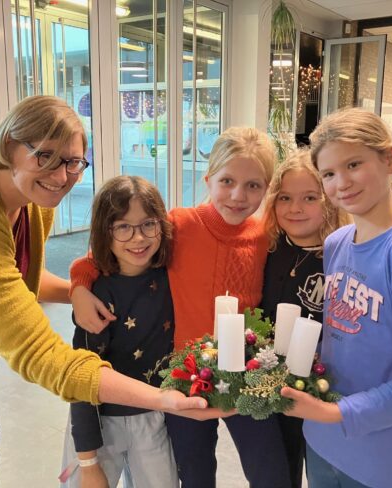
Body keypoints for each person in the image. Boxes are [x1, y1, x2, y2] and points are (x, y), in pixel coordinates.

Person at [0, 95, 205, 487]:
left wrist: (78, 290)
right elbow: (37, 353)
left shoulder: (32, 201)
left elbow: (14, 277)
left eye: (73, 161)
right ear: (9, 145)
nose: (61, 176)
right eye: (45, 155)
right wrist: (161, 399)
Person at [70, 127, 292, 488]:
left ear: (266, 188)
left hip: (246, 370)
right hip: (186, 376)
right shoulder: (180, 224)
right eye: (227, 181)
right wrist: (79, 286)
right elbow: (104, 252)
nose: (238, 195)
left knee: (271, 471)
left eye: (253, 185)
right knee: (195, 473)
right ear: (208, 178)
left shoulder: (265, 235)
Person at [281, 108, 392, 488]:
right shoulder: (337, 242)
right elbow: (346, 336)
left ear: (390, 159)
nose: (341, 183)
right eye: (328, 174)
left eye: (353, 164)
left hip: (382, 454)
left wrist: (336, 413)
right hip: (325, 440)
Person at [61, 176, 178, 488]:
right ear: (105, 232)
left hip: (154, 413)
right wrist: (87, 462)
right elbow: (81, 379)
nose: (138, 238)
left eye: (148, 224)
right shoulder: (96, 296)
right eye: (123, 227)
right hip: (99, 421)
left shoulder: (172, 276)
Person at [260, 148, 348, 488]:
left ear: (329, 201)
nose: (295, 208)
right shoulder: (268, 247)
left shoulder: (340, 256)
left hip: (321, 387)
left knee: (320, 467)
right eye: (285, 198)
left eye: (309, 198)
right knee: (277, 468)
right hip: (269, 379)